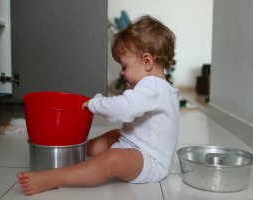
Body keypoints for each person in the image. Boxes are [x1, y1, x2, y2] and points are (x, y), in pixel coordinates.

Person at [17, 15, 179, 195]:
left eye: (124, 66)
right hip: (139, 148)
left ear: (147, 61)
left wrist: (97, 104)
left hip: (151, 161)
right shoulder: (161, 87)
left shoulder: (153, 86)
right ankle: (75, 155)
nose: (122, 72)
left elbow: (125, 109)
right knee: (113, 136)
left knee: (113, 159)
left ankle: (54, 178)